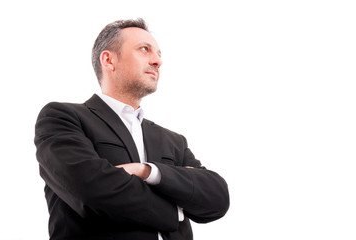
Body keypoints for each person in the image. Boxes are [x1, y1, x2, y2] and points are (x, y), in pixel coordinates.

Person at [34, 18, 229, 240]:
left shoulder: (173, 141)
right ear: (108, 60)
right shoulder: (63, 118)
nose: (157, 61)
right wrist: (176, 209)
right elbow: (92, 191)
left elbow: (217, 198)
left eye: (159, 54)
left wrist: (147, 171)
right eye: (144, 50)